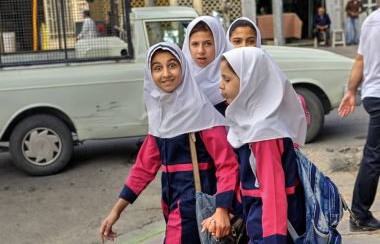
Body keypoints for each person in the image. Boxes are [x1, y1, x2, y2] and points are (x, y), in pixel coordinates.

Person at [99, 42, 239, 243]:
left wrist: (222, 210)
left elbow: (227, 165)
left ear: (183, 66)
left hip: (195, 206)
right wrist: (116, 211)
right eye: (157, 68)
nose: (165, 73)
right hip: (171, 203)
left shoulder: (202, 115)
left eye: (172, 65)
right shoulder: (160, 116)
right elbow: (143, 168)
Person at [215, 47, 307, 243]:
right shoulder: (253, 123)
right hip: (259, 219)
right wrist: (235, 211)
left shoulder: (263, 134)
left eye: (227, 79)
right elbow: (250, 182)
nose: (220, 85)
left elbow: (273, 195)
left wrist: (273, 239)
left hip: (271, 227)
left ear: (250, 83)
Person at [338, 1, 380, 231]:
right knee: (373, 156)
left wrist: (352, 91)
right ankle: (360, 214)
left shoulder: (370, 20)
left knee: (374, 154)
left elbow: (360, 60)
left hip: (372, 94)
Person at [226, 17, 311, 126]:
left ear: (257, 43)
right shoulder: (223, 72)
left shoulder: (267, 69)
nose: (244, 46)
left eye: (251, 41)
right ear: (228, 43)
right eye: (237, 41)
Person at [182, 16, 232, 116]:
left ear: (219, 44)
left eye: (207, 44)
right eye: (195, 44)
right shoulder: (180, 80)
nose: (201, 51)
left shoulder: (234, 78)